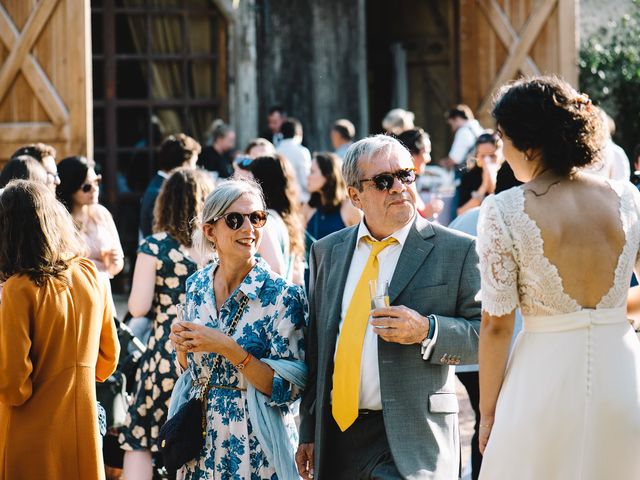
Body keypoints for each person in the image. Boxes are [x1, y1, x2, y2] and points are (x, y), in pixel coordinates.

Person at [477, 76, 640, 479]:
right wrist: (614, 313)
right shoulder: (627, 197)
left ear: (528, 144)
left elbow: (496, 324)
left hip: (542, 382)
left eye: (503, 139)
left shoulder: (504, 211)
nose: (501, 152)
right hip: (622, 373)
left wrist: (487, 412)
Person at [296, 135, 481, 479]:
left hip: (413, 439)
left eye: (405, 175)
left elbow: (483, 337)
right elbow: (317, 348)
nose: (399, 187)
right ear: (355, 195)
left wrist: (427, 330)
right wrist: (309, 430)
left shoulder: (456, 250)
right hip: (338, 437)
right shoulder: (327, 252)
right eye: (383, 181)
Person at [169, 178, 307, 479]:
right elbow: (190, 372)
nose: (249, 229)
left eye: (257, 218)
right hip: (201, 439)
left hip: (256, 442)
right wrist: (182, 347)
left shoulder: (282, 295)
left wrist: (227, 347)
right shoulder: (197, 286)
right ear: (210, 231)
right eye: (235, 220)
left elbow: (288, 388)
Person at [0, 180, 119, 479]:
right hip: (84, 428)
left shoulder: (19, 289)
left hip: (30, 432)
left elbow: (13, 386)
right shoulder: (90, 273)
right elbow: (109, 358)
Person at [119, 168, 214, 479]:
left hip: (164, 355)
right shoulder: (214, 248)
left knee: (141, 438)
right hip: (209, 355)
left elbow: (137, 306)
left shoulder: (155, 246)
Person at [56, 156, 124, 281]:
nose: (95, 189)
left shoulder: (102, 214)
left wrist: (114, 262)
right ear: (71, 187)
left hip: (102, 286)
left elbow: (118, 263)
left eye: (97, 181)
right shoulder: (58, 221)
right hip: (74, 289)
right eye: (86, 187)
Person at [249, 154, 306, 284]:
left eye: (251, 178)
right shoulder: (282, 218)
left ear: (260, 182)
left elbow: (275, 270)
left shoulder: (264, 221)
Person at [139, 133, 201, 238]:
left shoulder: (160, 185)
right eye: (194, 162)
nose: (195, 168)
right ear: (184, 163)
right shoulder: (160, 192)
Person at [302, 152, 361, 240]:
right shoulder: (308, 207)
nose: (308, 177)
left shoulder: (350, 207)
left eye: (312, 172)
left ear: (327, 175)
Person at [397, 127, 444, 220]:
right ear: (412, 154)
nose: (429, 158)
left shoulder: (409, 182)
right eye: (426, 152)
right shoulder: (399, 186)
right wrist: (427, 215)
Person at [457, 131, 503, 216]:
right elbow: (461, 213)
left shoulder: (510, 174)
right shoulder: (469, 177)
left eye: (492, 156)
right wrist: (484, 185)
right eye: (483, 156)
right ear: (477, 156)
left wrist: (492, 180)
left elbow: (504, 207)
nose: (487, 160)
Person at [276, 118, 312, 202]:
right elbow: (305, 181)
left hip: (281, 200)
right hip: (301, 199)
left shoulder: (276, 151)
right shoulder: (302, 151)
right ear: (299, 132)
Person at [440, 105, 484, 170]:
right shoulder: (477, 128)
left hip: (467, 174)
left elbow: (454, 159)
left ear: (457, 119)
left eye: (451, 124)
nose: (451, 129)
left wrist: (442, 163)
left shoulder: (463, 132)